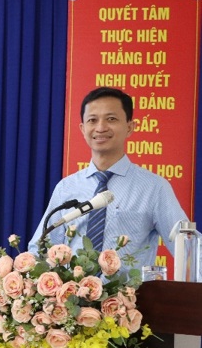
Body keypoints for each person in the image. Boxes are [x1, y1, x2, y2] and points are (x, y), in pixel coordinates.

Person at [29, 87, 187, 269]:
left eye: (111, 119)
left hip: (132, 289)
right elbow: (40, 249)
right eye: (92, 120)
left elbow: (187, 248)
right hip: (72, 288)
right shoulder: (66, 187)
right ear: (82, 129)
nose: (101, 127)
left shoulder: (154, 188)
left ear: (130, 127)